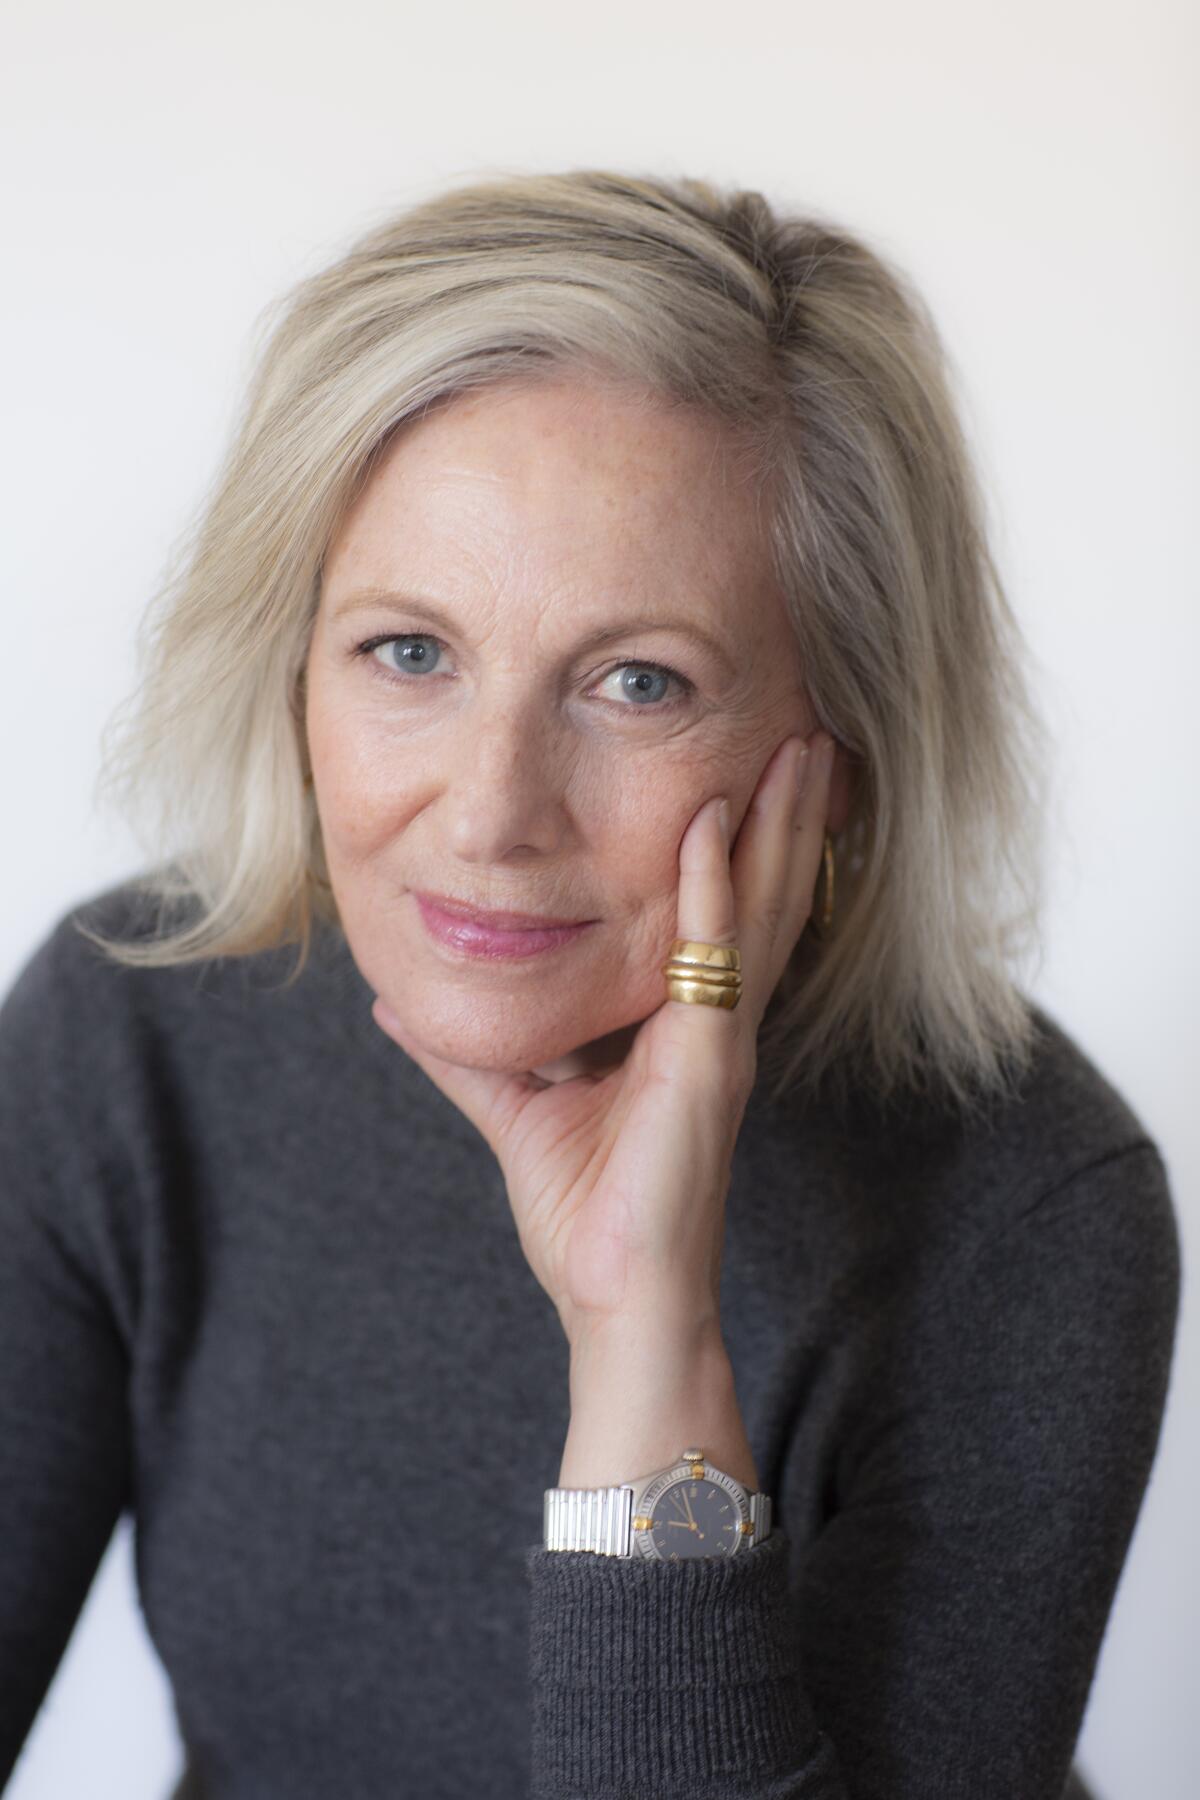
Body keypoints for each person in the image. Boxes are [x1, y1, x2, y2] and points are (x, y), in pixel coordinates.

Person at [0, 170, 1180, 1800]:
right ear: (295, 667)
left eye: (639, 683)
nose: (490, 813)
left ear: (837, 755)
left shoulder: (1029, 1205)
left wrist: (645, 1339)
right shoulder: (128, 1039)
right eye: (408, 652)